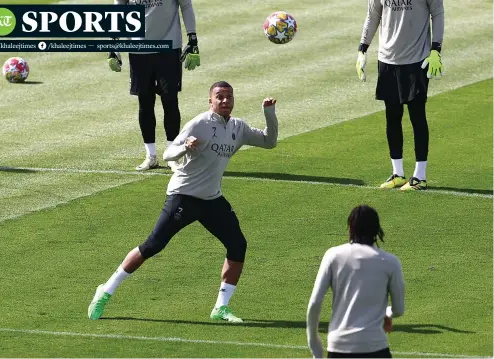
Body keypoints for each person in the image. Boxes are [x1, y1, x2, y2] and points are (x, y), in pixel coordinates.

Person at [88, 81, 278, 322]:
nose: (225, 100)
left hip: (211, 199)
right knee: (152, 246)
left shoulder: (238, 127)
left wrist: (269, 114)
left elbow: (269, 142)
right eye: (219, 97)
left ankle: (221, 308)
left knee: (237, 245)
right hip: (183, 196)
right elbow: (168, 154)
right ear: (210, 101)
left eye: (229, 96)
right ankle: (105, 291)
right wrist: (184, 148)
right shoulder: (200, 123)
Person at [356, 0, 445, 190]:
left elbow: (437, 13)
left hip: (417, 59)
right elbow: (373, 16)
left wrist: (436, 49)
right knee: (392, 116)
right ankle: (398, 174)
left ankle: (420, 176)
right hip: (387, 59)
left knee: (417, 116)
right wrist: (362, 49)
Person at [108, 0, 201, 172]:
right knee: (145, 101)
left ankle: (172, 155)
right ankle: (150, 156)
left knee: (170, 99)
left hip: (168, 46)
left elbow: (186, 5)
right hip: (138, 47)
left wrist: (192, 38)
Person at [306, 205, 405, 358]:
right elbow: (398, 309)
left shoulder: (333, 256)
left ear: (350, 228)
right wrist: (386, 313)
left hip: (339, 347)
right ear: (376, 230)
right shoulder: (390, 262)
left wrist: (314, 344)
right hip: (376, 347)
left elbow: (315, 302)